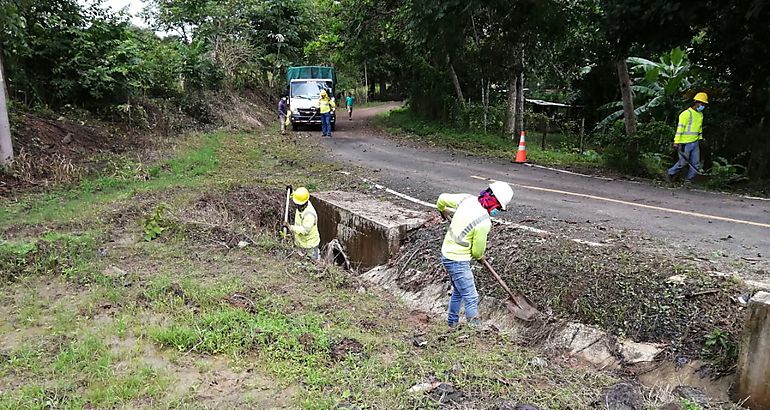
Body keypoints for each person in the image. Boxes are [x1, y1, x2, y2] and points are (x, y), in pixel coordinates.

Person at [436, 181, 514, 328]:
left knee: (459, 291)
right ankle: (474, 331)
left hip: (446, 253)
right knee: (471, 297)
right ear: (494, 202)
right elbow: (477, 252)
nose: (496, 211)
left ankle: (452, 324)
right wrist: (479, 256)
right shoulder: (483, 222)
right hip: (457, 260)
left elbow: (441, 199)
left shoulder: (466, 199)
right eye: (498, 207)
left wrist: (442, 210)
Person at [667, 92, 709, 185]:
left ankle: (688, 181)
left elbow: (699, 128)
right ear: (696, 102)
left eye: (704, 105)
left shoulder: (700, 115)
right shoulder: (686, 114)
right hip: (684, 143)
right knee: (683, 162)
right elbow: (680, 129)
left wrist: (700, 138)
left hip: (695, 142)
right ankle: (670, 173)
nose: (703, 106)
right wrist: (676, 142)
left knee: (696, 164)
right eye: (701, 104)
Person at [283, 187, 321, 261]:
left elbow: (304, 230)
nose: (296, 206)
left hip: (310, 246)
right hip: (300, 243)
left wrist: (290, 227)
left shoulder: (309, 214)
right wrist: (291, 193)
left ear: (304, 203)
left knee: (312, 264)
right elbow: (299, 198)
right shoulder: (302, 202)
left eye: (298, 204)